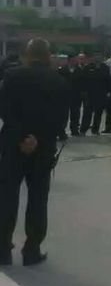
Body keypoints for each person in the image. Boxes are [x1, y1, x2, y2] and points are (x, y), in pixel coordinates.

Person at [0, 39, 68, 266]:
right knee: (38, 199)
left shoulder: (12, 77)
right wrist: (36, 138)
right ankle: (31, 250)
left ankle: (2, 249)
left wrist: (22, 137)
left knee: (7, 197)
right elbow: (60, 118)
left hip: (13, 146)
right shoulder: (58, 81)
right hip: (42, 148)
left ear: (27, 55)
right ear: (48, 55)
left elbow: (5, 109)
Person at [80, 53, 110, 136]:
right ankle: (83, 129)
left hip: (101, 94)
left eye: (99, 56)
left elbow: (108, 81)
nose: (97, 58)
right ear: (93, 58)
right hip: (90, 94)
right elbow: (83, 80)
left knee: (98, 113)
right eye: (96, 56)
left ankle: (95, 129)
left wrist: (108, 91)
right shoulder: (88, 67)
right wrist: (84, 91)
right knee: (87, 113)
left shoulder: (105, 68)